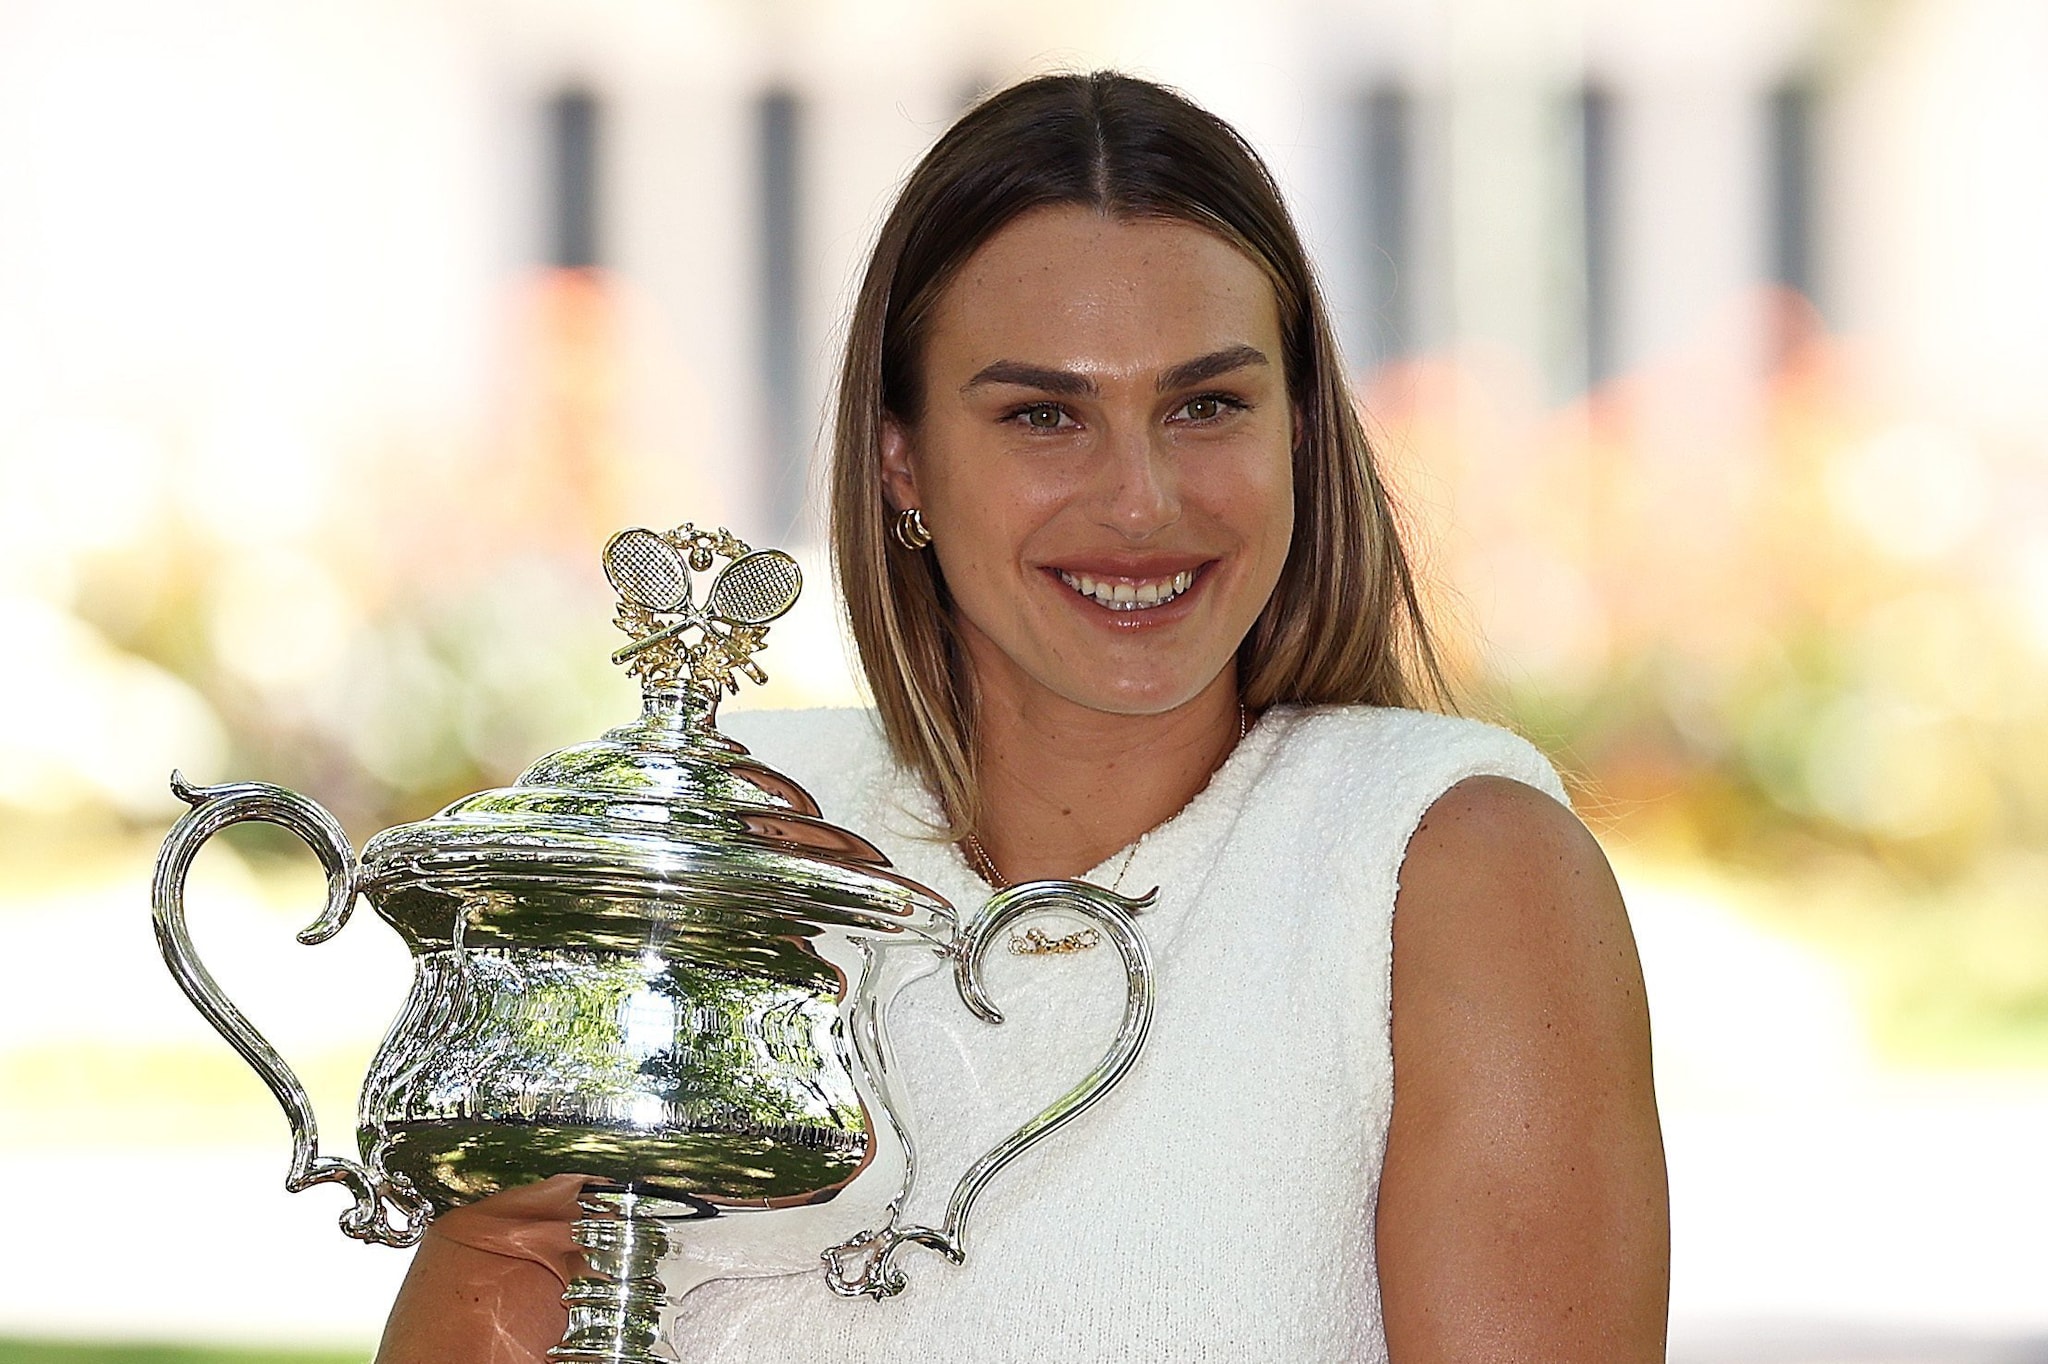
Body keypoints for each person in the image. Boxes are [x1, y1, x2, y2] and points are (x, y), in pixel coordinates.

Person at [378, 70, 1668, 1363]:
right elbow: (509, 1271)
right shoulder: (721, 843)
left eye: (1207, 405)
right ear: (903, 461)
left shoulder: (1441, 869)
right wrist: (509, 1217)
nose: (1141, 502)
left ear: (1301, 433)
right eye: (1043, 416)